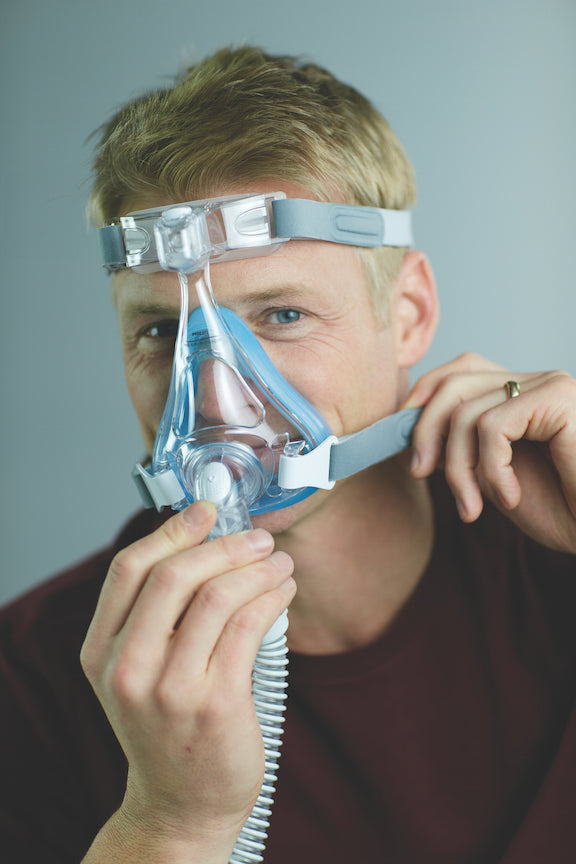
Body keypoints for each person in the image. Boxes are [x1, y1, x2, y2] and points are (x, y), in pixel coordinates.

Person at [1, 45, 575, 864]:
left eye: (280, 316)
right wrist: (168, 824)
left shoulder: (556, 552)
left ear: (408, 313)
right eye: (161, 332)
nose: (212, 393)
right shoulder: (33, 677)